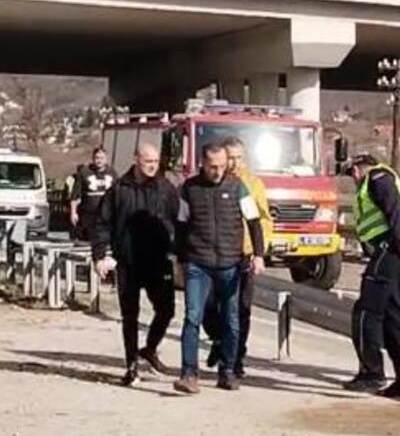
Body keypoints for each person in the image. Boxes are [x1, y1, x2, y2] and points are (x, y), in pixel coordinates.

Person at [175, 142, 266, 394]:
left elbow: (254, 222)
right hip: (198, 262)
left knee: (231, 320)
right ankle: (189, 373)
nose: (218, 171)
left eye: (222, 166)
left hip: (229, 263)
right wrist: (180, 260)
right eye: (213, 167)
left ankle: (227, 371)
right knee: (192, 317)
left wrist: (258, 255)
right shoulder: (189, 189)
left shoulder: (238, 187)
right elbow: (181, 225)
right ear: (202, 164)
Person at [93, 144, 179, 386]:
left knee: (166, 310)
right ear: (136, 160)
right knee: (129, 316)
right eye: (147, 161)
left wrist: (177, 251)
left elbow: (177, 220)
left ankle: (150, 348)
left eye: (155, 161)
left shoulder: (165, 188)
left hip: (157, 261)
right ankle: (131, 366)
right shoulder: (120, 189)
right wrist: (99, 255)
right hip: (128, 262)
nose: (152, 166)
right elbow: (102, 223)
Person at [344, 154, 400, 397]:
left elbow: (393, 207)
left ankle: (372, 374)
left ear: (357, 169)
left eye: (352, 174)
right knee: (392, 316)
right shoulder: (381, 177)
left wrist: (399, 241)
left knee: (366, 313)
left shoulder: (377, 176)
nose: (353, 179)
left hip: (393, 249)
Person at [203, 136, 272, 377]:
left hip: (244, 254)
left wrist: (259, 252)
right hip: (216, 255)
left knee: (241, 309)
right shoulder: (213, 181)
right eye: (230, 158)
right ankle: (218, 339)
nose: (234, 163)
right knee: (209, 306)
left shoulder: (252, 184)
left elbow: (263, 220)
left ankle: (236, 357)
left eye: (239, 158)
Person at [71, 148, 115, 244]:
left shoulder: (112, 173)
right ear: (93, 158)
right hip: (88, 214)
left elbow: (117, 195)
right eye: (97, 158)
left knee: (103, 241)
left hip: (105, 215)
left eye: (102, 158)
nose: (99, 161)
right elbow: (75, 195)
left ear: (106, 159)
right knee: (85, 241)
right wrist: (73, 212)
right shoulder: (84, 172)